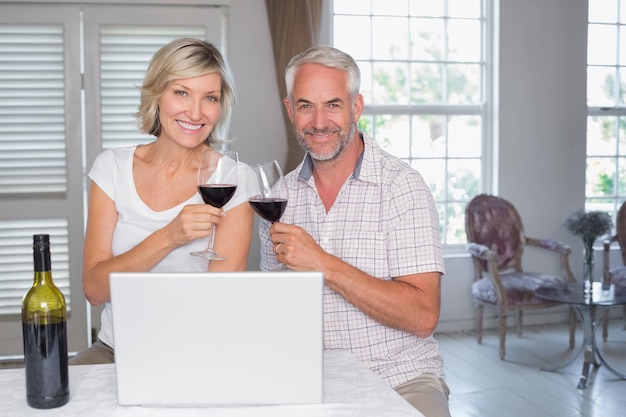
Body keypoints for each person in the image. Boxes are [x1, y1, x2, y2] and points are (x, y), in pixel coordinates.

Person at [259, 45, 450, 417]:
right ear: (289, 110)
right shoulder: (278, 197)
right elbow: (276, 309)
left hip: (400, 379)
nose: (318, 122)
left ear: (356, 107)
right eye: (305, 106)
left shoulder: (402, 187)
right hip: (309, 381)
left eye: (332, 104)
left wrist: (323, 264)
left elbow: (423, 316)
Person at [70, 38, 254, 365]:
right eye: (181, 92)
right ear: (157, 95)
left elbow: (222, 300)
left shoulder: (236, 179)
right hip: (115, 350)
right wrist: (169, 237)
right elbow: (95, 290)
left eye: (209, 98)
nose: (195, 112)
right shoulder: (111, 167)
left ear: (220, 106)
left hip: (198, 351)